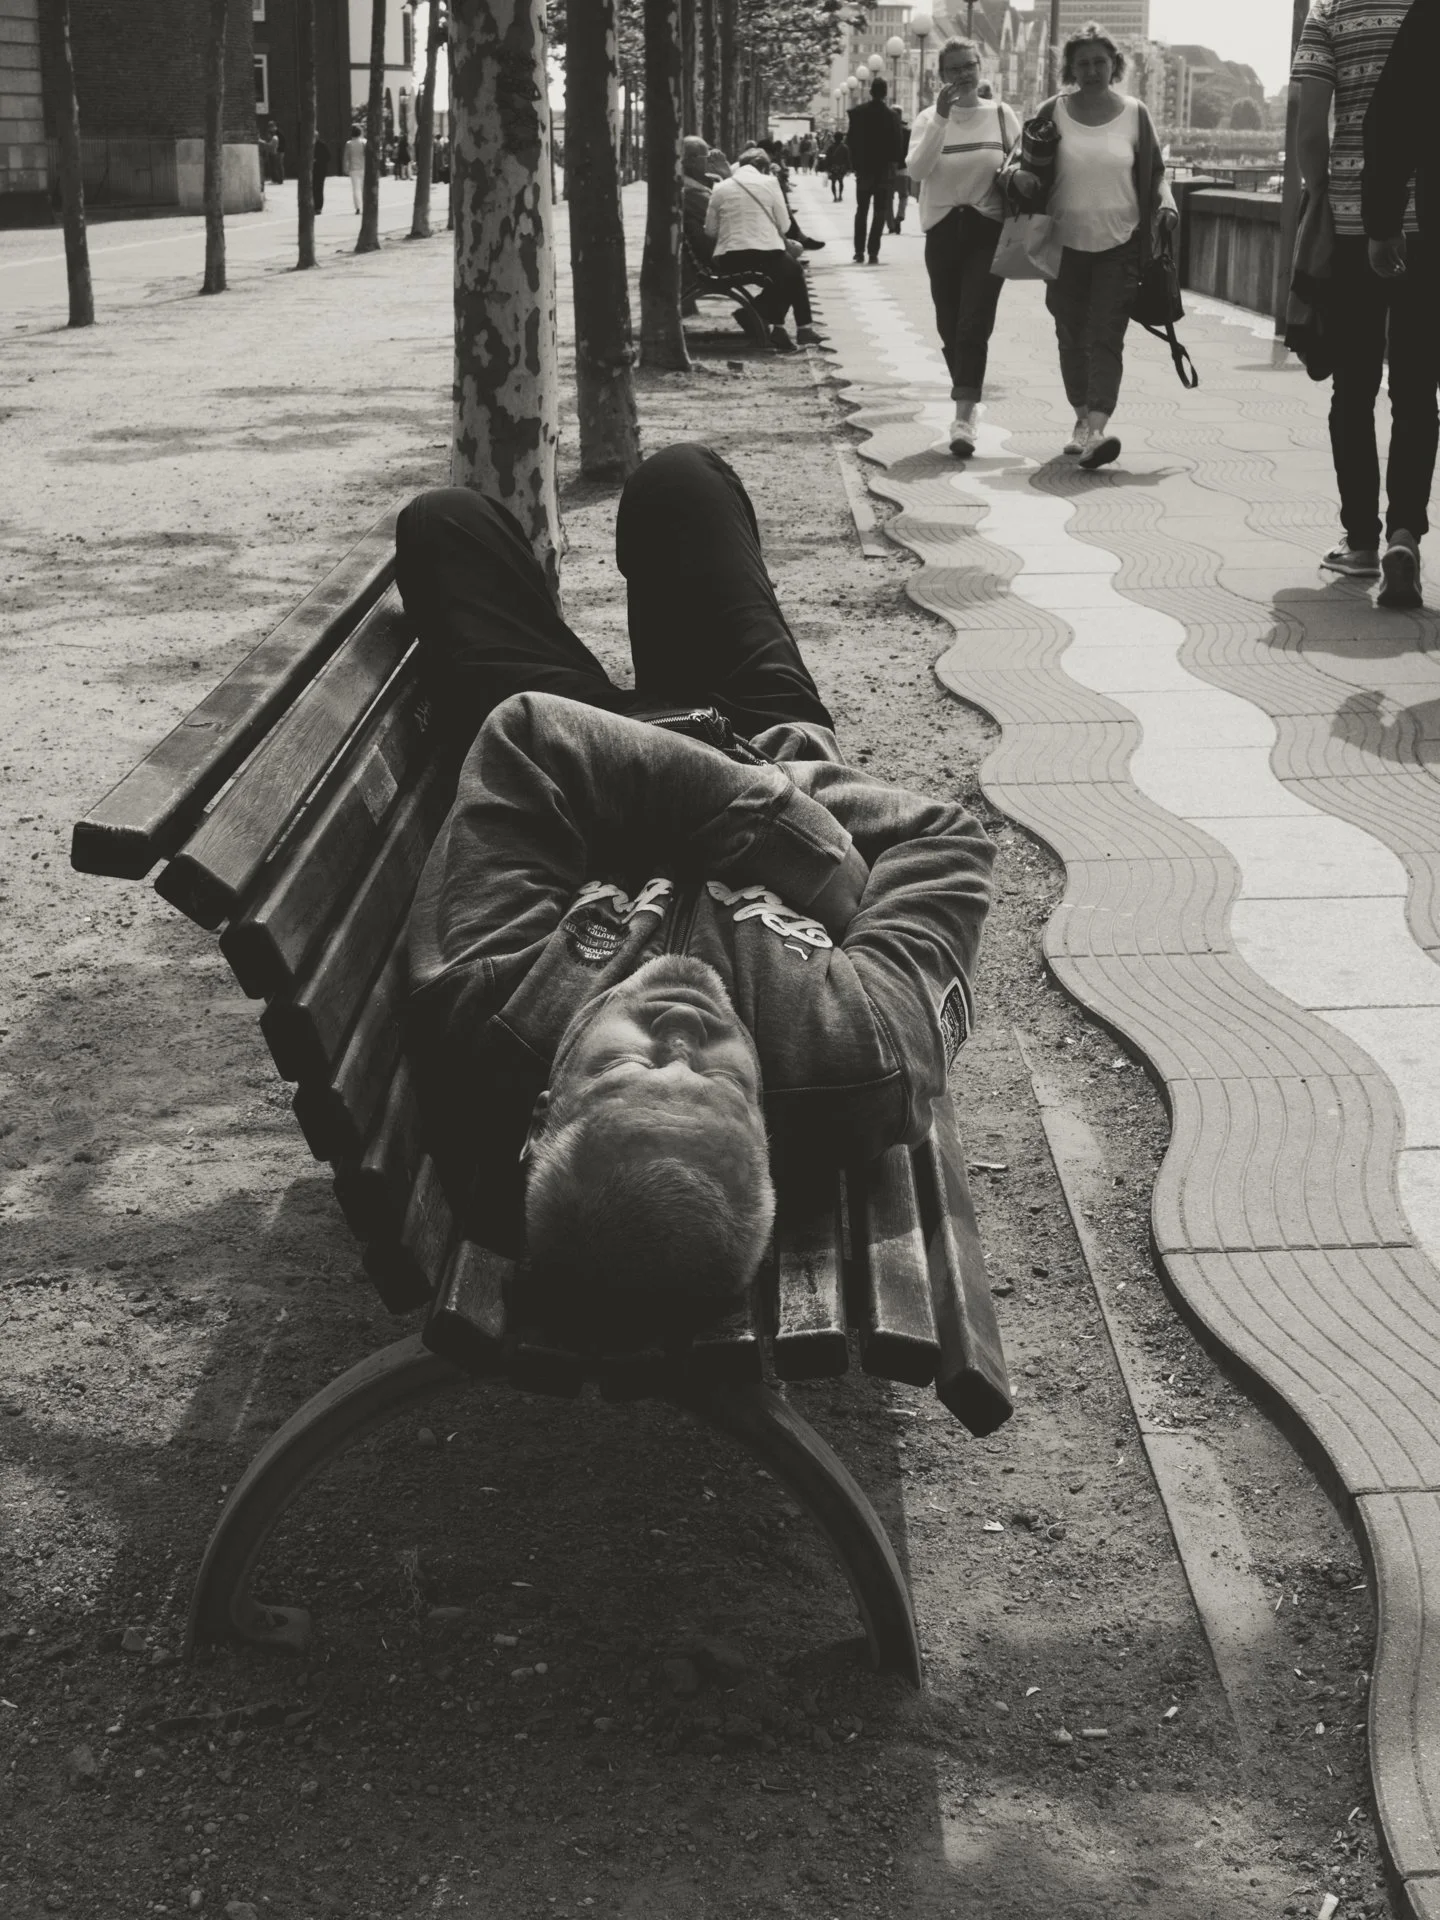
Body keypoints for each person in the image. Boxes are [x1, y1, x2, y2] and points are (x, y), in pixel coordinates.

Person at [395, 446, 994, 1316]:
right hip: (767, 747)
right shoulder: (864, 1053)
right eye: (717, 1082)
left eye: (624, 1070)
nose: (679, 1033)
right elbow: (941, 839)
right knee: (681, 483)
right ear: (766, 1128)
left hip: (589, 759)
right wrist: (792, 820)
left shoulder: (491, 999)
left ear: (545, 1110)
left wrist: (789, 841)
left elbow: (529, 740)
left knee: (442, 522)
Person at [1297, 0, 1434, 608]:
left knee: (1352, 387)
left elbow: (1308, 127)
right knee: (1415, 387)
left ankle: (1360, 542)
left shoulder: (1328, 11)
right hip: (1426, 223)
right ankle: (1405, 530)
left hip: (1355, 223)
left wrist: (1320, 191)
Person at [1007, 22, 1177, 469]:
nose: (1092, 70)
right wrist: (1020, 177)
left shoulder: (1135, 113)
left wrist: (1167, 203)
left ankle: (1098, 429)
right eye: (1082, 63)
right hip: (1062, 245)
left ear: (1114, 65)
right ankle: (1081, 419)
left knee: (1106, 336)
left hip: (1121, 244)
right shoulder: (1052, 110)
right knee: (1070, 336)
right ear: (1070, 68)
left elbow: (1156, 172)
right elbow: (1015, 165)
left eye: (1100, 61)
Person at [908, 36, 1022, 458]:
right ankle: (968, 396)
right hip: (942, 230)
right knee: (948, 323)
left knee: (973, 322)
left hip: (986, 229)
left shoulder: (1000, 115)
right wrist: (940, 118)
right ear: (941, 75)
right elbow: (917, 170)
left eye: (969, 66)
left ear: (980, 67)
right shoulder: (926, 119)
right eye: (954, 69)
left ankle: (963, 416)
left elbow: (1022, 162)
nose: (962, 75)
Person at [704, 147, 824, 352]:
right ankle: (798, 326)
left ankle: (776, 328)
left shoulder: (721, 187)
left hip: (728, 257)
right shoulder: (770, 183)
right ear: (764, 167)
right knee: (793, 271)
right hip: (766, 252)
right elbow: (785, 226)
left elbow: (710, 230)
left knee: (787, 273)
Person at [847, 76, 908, 263]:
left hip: (864, 170)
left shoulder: (857, 113)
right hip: (884, 171)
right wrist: (894, 163)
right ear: (885, 93)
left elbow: (851, 141)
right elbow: (898, 147)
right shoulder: (892, 117)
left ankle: (858, 251)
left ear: (870, 92)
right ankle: (873, 251)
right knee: (880, 210)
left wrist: (855, 165)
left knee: (861, 210)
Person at [343, 122, 366, 214]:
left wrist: (345, 167)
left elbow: (346, 157)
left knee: (356, 189)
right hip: (364, 167)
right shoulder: (364, 142)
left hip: (354, 169)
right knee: (364, 188)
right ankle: (365, 205)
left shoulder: (349, 143)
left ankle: (358, 207)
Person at [826, 133, 851, 203]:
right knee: (841, 181)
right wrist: (849, 168)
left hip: (833, 167)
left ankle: (834, 197)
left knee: (833, 182)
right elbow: (847, 159)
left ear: (834, 138)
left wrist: (827, 168)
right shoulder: (845, 147)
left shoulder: (830, 147)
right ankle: (840, 195)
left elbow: (828, 158)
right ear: (842, 138)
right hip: (842, 167)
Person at [311, 133, 331, 213]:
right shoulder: (309, 145)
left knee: (319, 188)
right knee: (313, 188)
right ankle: (313, 206)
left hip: (320, 170)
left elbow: (328, 157)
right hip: (312, 170)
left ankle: (318, 207)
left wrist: (317, 160)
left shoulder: (322, 145)